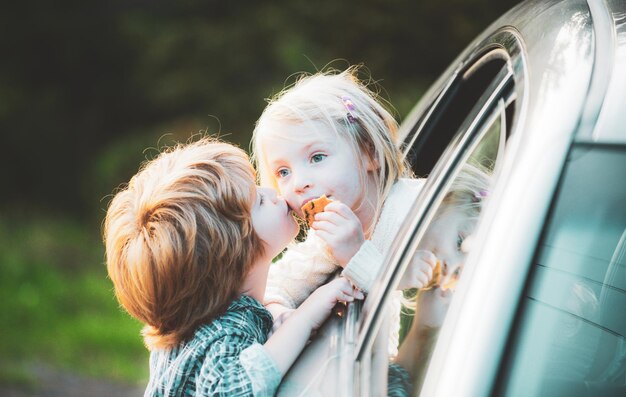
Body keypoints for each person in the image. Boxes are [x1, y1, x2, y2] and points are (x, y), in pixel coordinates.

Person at [103, 137, 363, 396]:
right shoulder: (228, 329)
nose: (273, 193)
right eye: (259, 200)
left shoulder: (197, 323)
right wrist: (305, 318)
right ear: (236, 253)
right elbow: (233, 391)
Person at [251, 66, 434, 354]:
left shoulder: (421, 206)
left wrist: (355, 255)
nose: (299, 183)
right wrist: (280, 313)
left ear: (369, 152)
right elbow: (274, 286)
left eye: (317, 157)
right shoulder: (325, 241)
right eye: (283, 172)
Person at [391, 162, 493, 395]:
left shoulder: (394, 295)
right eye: (459, 242)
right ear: (448, 198)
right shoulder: (376, 219)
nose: (448, 270)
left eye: (458, 274)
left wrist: (423, 329)